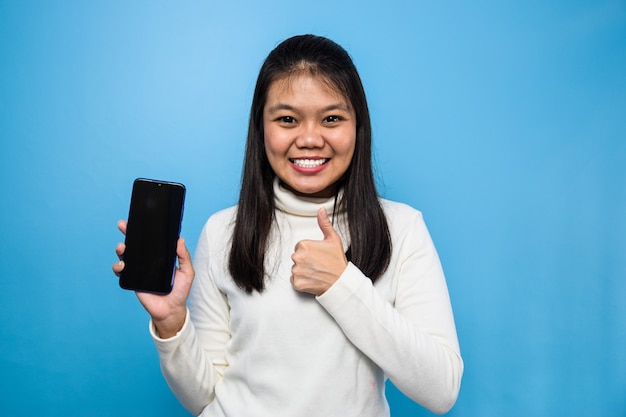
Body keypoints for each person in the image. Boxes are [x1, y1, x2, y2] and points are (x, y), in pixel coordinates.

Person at [113, 34, 463, 416]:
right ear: (261, 128)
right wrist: (172, 324)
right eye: (287, 119)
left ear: (358, 126)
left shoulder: (402, 228)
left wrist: (341, 283)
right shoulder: (222, 232)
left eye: (331, 118)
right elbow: (205, 399)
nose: (310, 139)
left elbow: (441, 390)